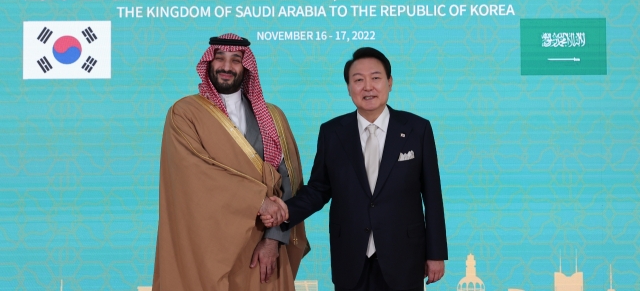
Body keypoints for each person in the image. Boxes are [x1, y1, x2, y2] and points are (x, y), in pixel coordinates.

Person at [262, 47, 447, 291]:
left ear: (390, 82)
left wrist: (436, 254)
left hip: (404, 257)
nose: (368, 87)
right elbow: (319, 188)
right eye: (358, 80)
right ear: (349, 88)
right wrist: (286, 212)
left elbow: (432, 197)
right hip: (350, 256)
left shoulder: (417, 129)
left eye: (376, 78)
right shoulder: (332, 132)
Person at [152, 33, 309, 291]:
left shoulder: (273, 116)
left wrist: (273, 240)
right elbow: (193, 175)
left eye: (235, 60)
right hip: (204, 246)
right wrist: (258, 200)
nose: (226, 67)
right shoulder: (184, 113)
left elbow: (289, 182)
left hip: (261, 244)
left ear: (246, 67)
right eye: (220, 58)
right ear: (208, 63)